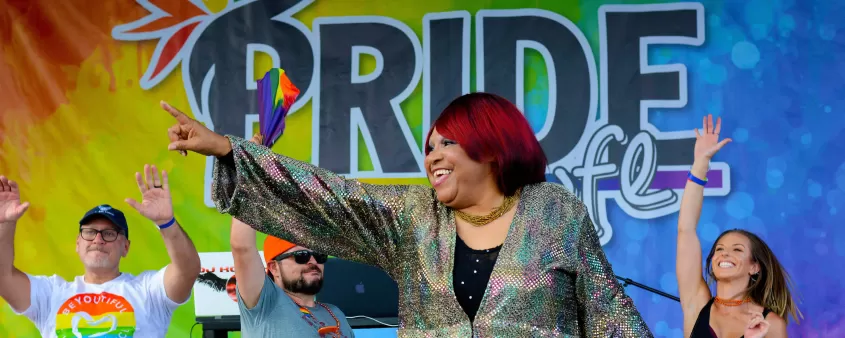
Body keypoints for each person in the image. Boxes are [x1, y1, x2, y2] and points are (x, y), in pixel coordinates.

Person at [160, 93, 652, 337]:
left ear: (492, 145)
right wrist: (227, 148)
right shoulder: (414, 219)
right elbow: (330, 195)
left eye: (448, 143)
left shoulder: (554, 212)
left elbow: (611, 315)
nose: (433, 156)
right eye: (428, 146)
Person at [0, 165, 201, 337]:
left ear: (126, 247)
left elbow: (187, 270)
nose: (98, 239)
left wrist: (166, 223)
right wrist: (5, 224)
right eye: (90, 232)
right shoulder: (51, 294)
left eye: (109, 233)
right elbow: (3, 277)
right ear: (78, 244)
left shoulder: (148, 291)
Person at [676, 115, 801, 338]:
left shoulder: (771, 324)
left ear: (755, 267)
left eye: (737, 250)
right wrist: (700, 164)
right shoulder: (695, 303)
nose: (724, 253)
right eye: (720, 249)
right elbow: (686, 229)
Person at [230, 134, 354, 337]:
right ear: (274, 268)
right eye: (301, 256)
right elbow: (241, 247)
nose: (313, 261)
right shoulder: (265, 302)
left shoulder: (336, 314)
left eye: (320, 255)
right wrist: (249, 167)